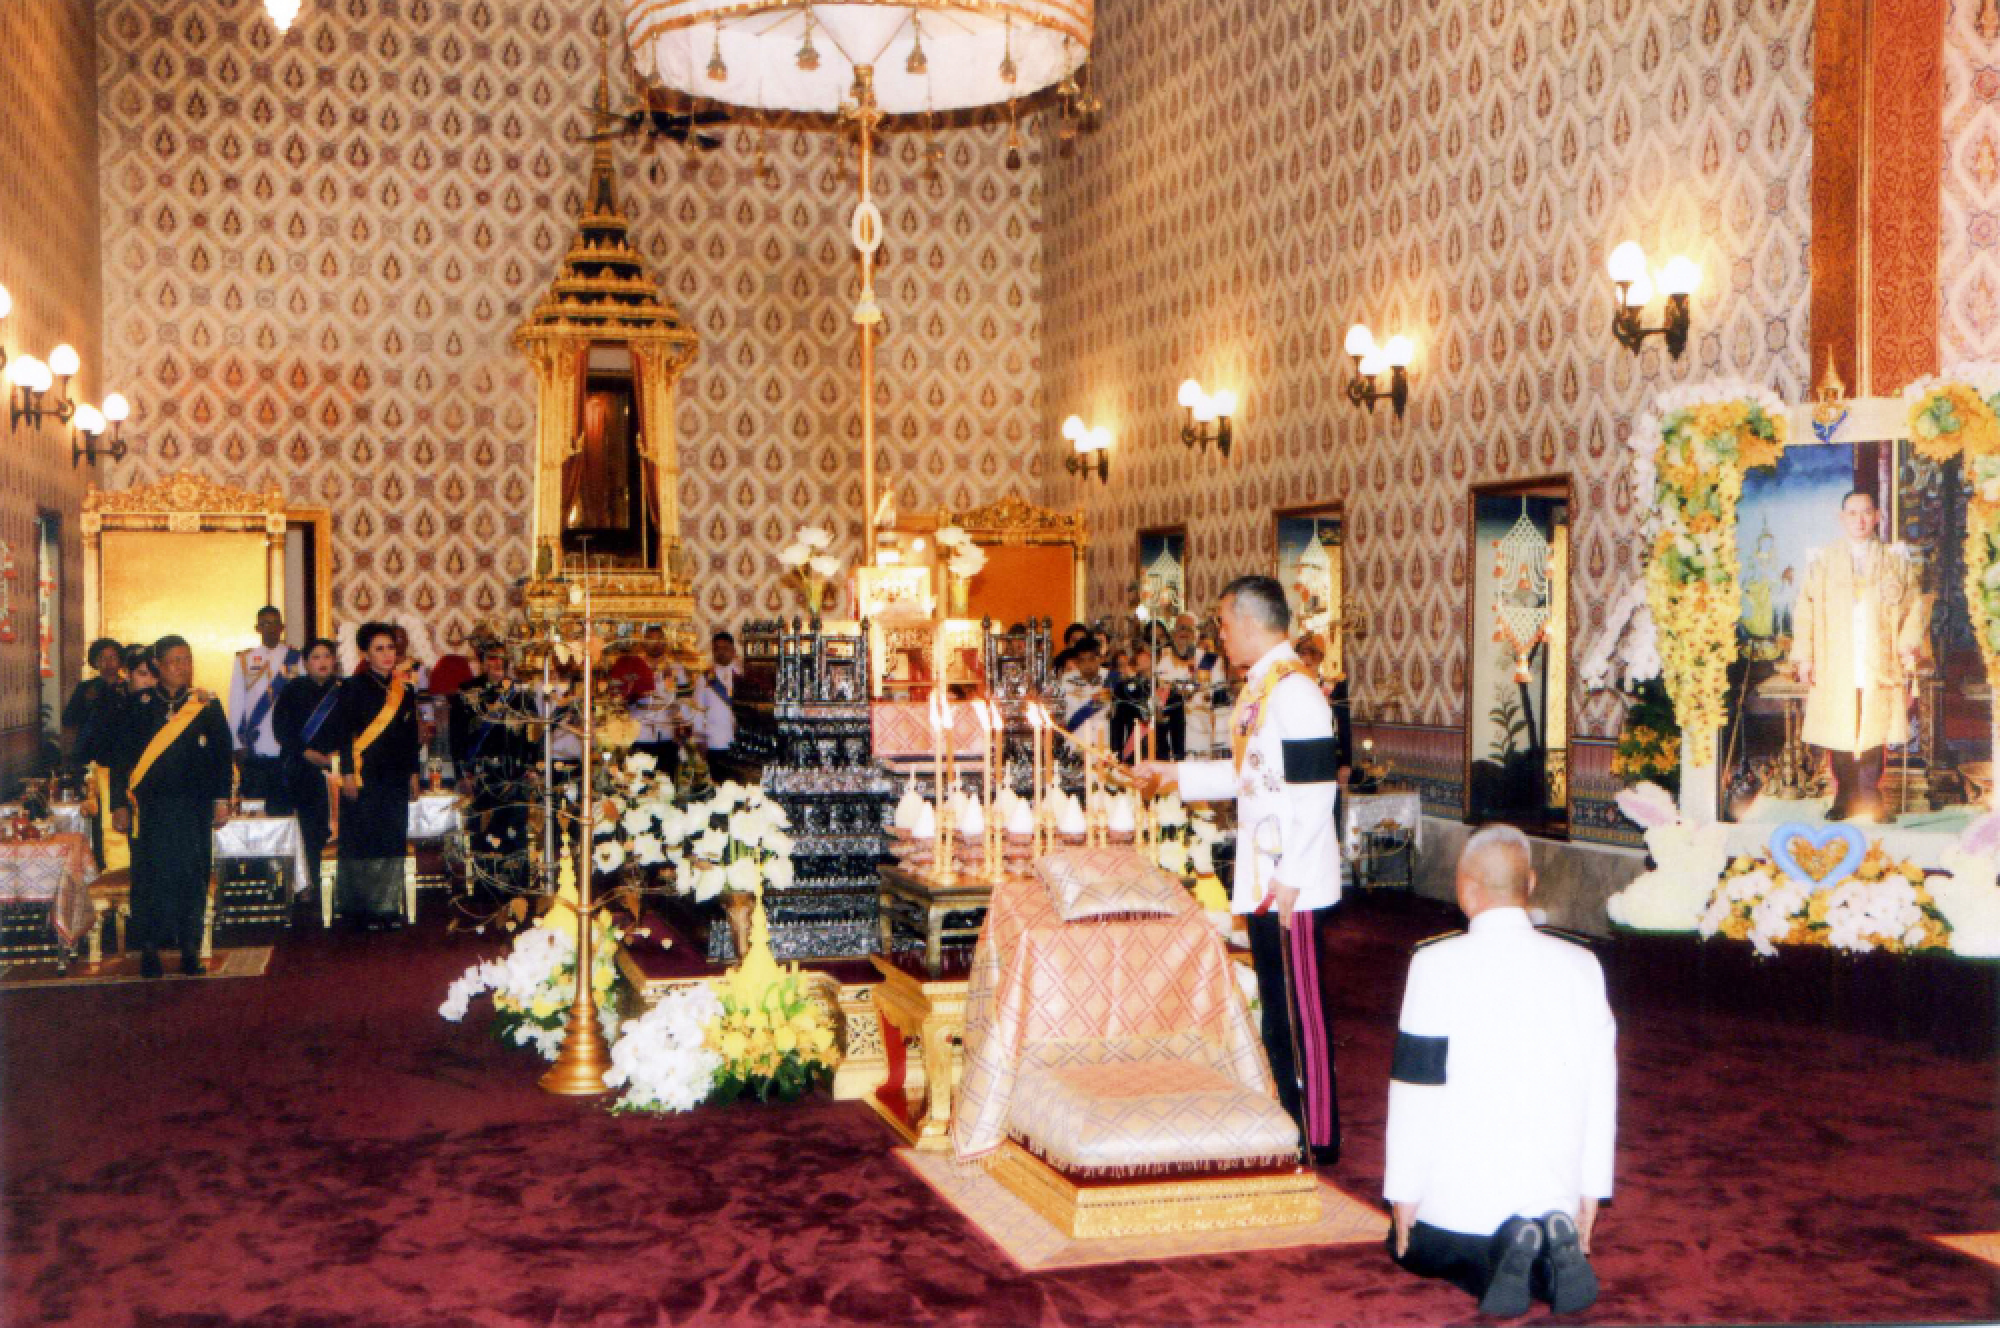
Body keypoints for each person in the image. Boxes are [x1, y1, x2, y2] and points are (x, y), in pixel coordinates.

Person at [1135, 576, 1343, 1165]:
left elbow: (1317, 792)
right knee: (1277, 1009)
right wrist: (1175, 775)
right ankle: (1290, 1123)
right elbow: (1248, 776)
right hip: (1264, 874)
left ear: (1251, 622)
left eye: (1224, 624)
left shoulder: (1296, 692)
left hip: (1293, 883)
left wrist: (1292, 876)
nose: (1220, 635)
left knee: (1301, 1012)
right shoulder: (1263, 686)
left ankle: (1318, 1134)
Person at [1384, 824, 1616, 1317]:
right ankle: (1549, 1246)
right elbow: (1602, 1088)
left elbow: (1415, 1090)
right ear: (1530, 884)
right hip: (1555, 1189)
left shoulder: (1434, 964)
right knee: (1535, 1233)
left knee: (1413, 1247)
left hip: (1464, 1205)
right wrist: (1591, 1189)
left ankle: (1511, 1244)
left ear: (1464, 891)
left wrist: (1403, 1194)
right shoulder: (1583, 965)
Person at [1789, 490, 1929, 820]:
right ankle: (1844, 796)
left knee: (1873, 728)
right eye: (1852, 513)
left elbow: (1915, 607)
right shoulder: (1823, 561)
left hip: (1878, 659)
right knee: (1840, 727)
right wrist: (1805, 657)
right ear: (1842, 518)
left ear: (1877, 516)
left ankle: (1870, 797)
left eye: (1866, 512)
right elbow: (1805, 610)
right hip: (1836, 660)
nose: (1860, 520)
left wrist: (1907, 643)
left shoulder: (1895, 561)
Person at [107, 636, 233, 978]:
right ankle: (149, 949)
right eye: (175, 660)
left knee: (193, 876)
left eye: (187, 659)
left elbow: (222, 757)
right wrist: (119, 804)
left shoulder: (205, 706)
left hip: (193, 808)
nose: (183, 666)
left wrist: (221, 800)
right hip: (149, 810)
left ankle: (190, 948)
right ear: (158, 666)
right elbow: (120, 760)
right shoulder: (138, 706)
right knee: (150, 878)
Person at [311, 621, 422, 930]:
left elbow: (409, 737)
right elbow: (344, 735)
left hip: (394, 778)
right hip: (363, 776)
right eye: (379, 649)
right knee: (364, 842)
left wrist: (414, 773)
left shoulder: (405, 690)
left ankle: (387, 908)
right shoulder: (352, 687)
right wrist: (347, 773)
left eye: (390, 648)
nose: (387, 655)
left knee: (391, 841)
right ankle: (361, 912)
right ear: (366, 654)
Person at [451, 643, 532, 898]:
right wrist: (462, 774)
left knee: (513, 829)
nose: (498, 664)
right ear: (482, 661)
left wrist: (531, 766)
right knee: (484, 828)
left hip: (514, 772)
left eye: (502, 659)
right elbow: (457, 737)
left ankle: (515, 888)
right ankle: (485, 888)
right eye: (492, 658)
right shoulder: (468, 692)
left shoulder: (520, 693)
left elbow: (533, 735)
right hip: (481, 773)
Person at [272, 638, 341, 893]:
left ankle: (338, 886)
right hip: (303, 769)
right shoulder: (293, 690)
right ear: (306, 663)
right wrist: (306, 752)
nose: (322, 662)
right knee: (309, 829)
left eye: (327, 656)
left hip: (337, 769)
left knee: (338, 827)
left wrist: (338, 755)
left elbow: (353, 729)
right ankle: (310, 883)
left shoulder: (344, 690)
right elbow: (281, 729)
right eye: (316, 657)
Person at [227, 606, 302, 809]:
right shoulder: (244, 659)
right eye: (265, 623)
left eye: (275, 623)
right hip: (255, 746)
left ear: (282, 627)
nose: (271, 628)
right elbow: (236, 702)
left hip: (286, 746)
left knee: (285, 809)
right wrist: (237, 744)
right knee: (254, 808)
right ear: (257, 628)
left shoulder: (296, 658)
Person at [61, 637, 126, 781]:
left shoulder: (127, 688)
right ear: (95, 662)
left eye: (112, 657)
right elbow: (68, 718)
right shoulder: (86, 687)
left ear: (120, 661)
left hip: (119, 751)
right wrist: (86, 701)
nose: (108, 663)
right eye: (102, 658)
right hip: (89, 751)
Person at [629, 625, 690, 776]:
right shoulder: (634, 667)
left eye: (659, 640)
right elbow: (624, 699)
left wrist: (682, 727)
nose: (655, 645)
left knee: (666, 781)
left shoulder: (676, 668)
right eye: (651, 640)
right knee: (639, 782)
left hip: (667, 735)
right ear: (643, 643)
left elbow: (685, 700)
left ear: (665, 643)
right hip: (641, 734)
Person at [1056, 635, 1112, 747]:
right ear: (1077, 661)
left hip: (1103, 743)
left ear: (1100, 658)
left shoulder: (1111, 679)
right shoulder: (1066, 681)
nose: (1087, 665)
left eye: (1091, 659)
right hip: (1075, 742)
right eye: (1082, 660)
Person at [693, 630, 741, 755]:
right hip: (714, 741)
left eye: (725, 648)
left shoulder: (742, 675)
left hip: (741, 741)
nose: (721, 652)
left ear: (733, 651)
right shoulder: (704, 678)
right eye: (717, 649)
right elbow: (697, 709)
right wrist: (699, 738)